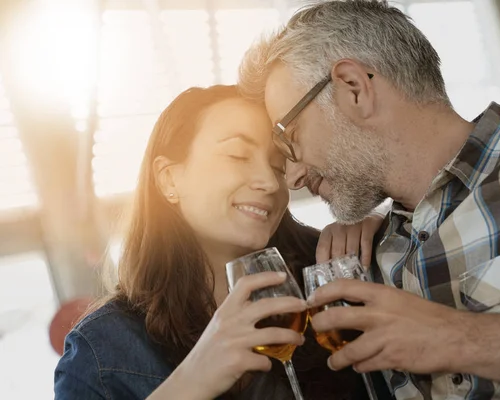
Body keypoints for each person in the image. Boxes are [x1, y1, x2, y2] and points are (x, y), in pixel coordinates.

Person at [238, 1, 500, 399]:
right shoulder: (366, 254)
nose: (292, 175)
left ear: (354, 89)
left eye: (289, 139)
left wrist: (454, 337)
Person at [53, 85, 387, 400]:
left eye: (277, 165)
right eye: (238, 155)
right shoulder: (101, 349)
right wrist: (192, 381)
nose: (269, 182)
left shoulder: (332, 273)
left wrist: (387, 221)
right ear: (170, 178)